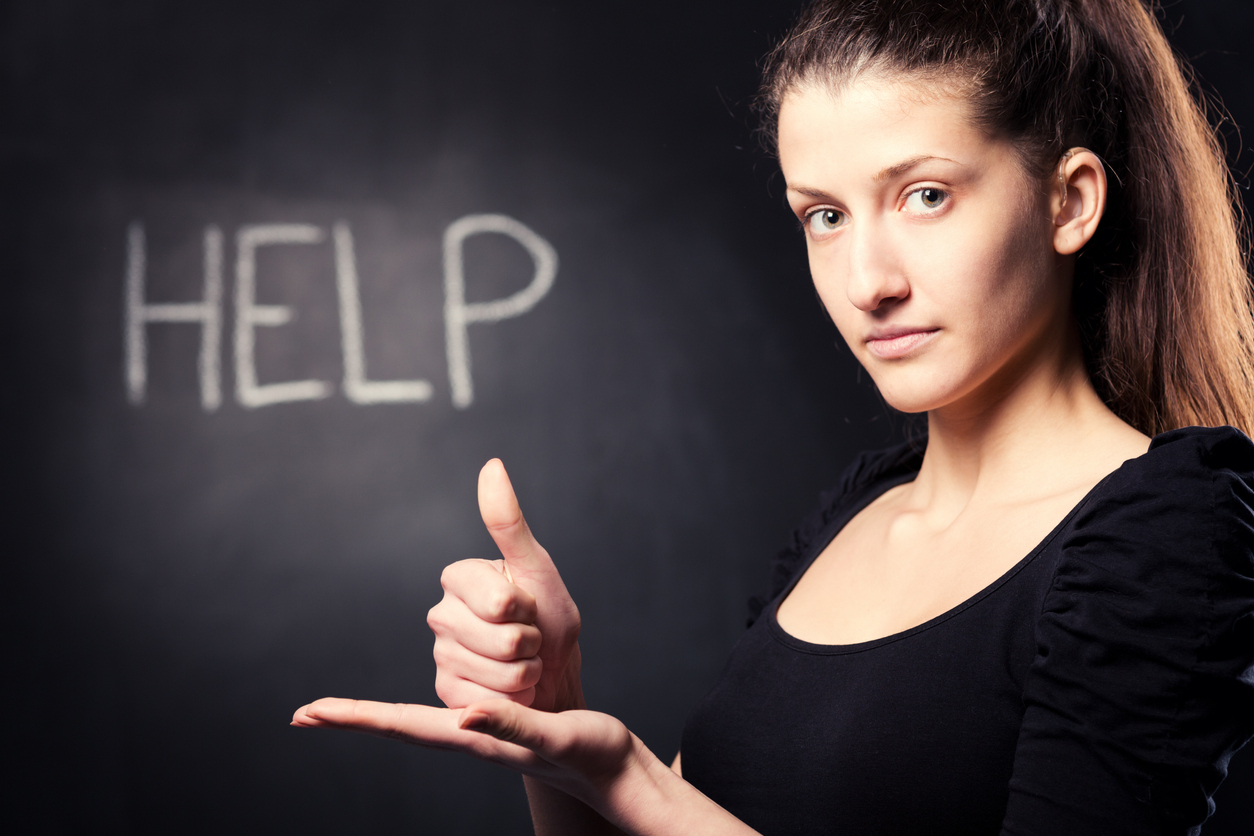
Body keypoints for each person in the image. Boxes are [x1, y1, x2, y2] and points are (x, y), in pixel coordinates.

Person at [292, 0, 1254, 832]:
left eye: (924, 196)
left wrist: (635, 781)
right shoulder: (854, 513)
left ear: (1070, 201)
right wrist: (556, 719)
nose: (868, 283)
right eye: (824, 216)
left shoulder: (1171, 529)